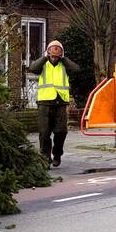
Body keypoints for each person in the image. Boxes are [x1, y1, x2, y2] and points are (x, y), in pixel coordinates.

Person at [27, 39, 80, 167]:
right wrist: (45, 57)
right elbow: (32, 68)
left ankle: (57, 154)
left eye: (58, 51)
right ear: (48, 52)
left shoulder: (64, 65)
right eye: (52, 51)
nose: (54, 55)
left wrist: (64, 58)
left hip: (60, 102)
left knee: (61, 132)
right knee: (44, 132)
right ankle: (45, 158)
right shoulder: (43, 64)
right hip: (45, 102)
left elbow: (76, 69)